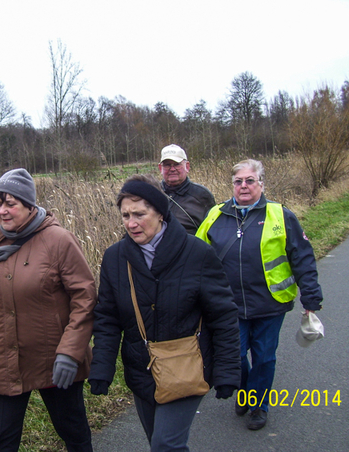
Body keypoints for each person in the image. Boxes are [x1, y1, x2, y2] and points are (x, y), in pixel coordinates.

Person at [89, 174, 240, 451]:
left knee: (165, 444)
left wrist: (228, 371)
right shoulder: (115, 258)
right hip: (142, 370)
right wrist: (101, 366)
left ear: (160, 213)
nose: (131, 223)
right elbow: (108, 318)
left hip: (188, 366)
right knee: (160, 444)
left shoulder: (197, 254)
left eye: (139, 214)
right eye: (125, 215)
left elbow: (223, 315)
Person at [0, 168, 96, 451]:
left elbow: (85, 297)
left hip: (54, 359)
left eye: (11, 203)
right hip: (5, 355)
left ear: (30, 205)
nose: (3, 211)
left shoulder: (58, 240)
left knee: (73, 430)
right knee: (3, 439)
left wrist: (70, 352)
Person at [196, 159, 324, 431]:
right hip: (229, 306)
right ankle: (245, 391)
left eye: (249, 181)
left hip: (270, 306)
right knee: (236, 355)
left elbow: (302, 257)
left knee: (264, 357)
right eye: (238, 181)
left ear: (261, 184)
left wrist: (311, 297)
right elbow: (197, 257)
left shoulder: (281, 215)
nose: (243, 186)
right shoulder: (216, 215)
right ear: (232, 185)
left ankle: (258, 405)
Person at [158, 144, 216, 235]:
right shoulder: (152, 192)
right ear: (160, 168)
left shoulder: (202, 195)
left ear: (187, 166)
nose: (172, 169)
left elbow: (214, 231)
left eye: (177, 164)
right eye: (167, 165)